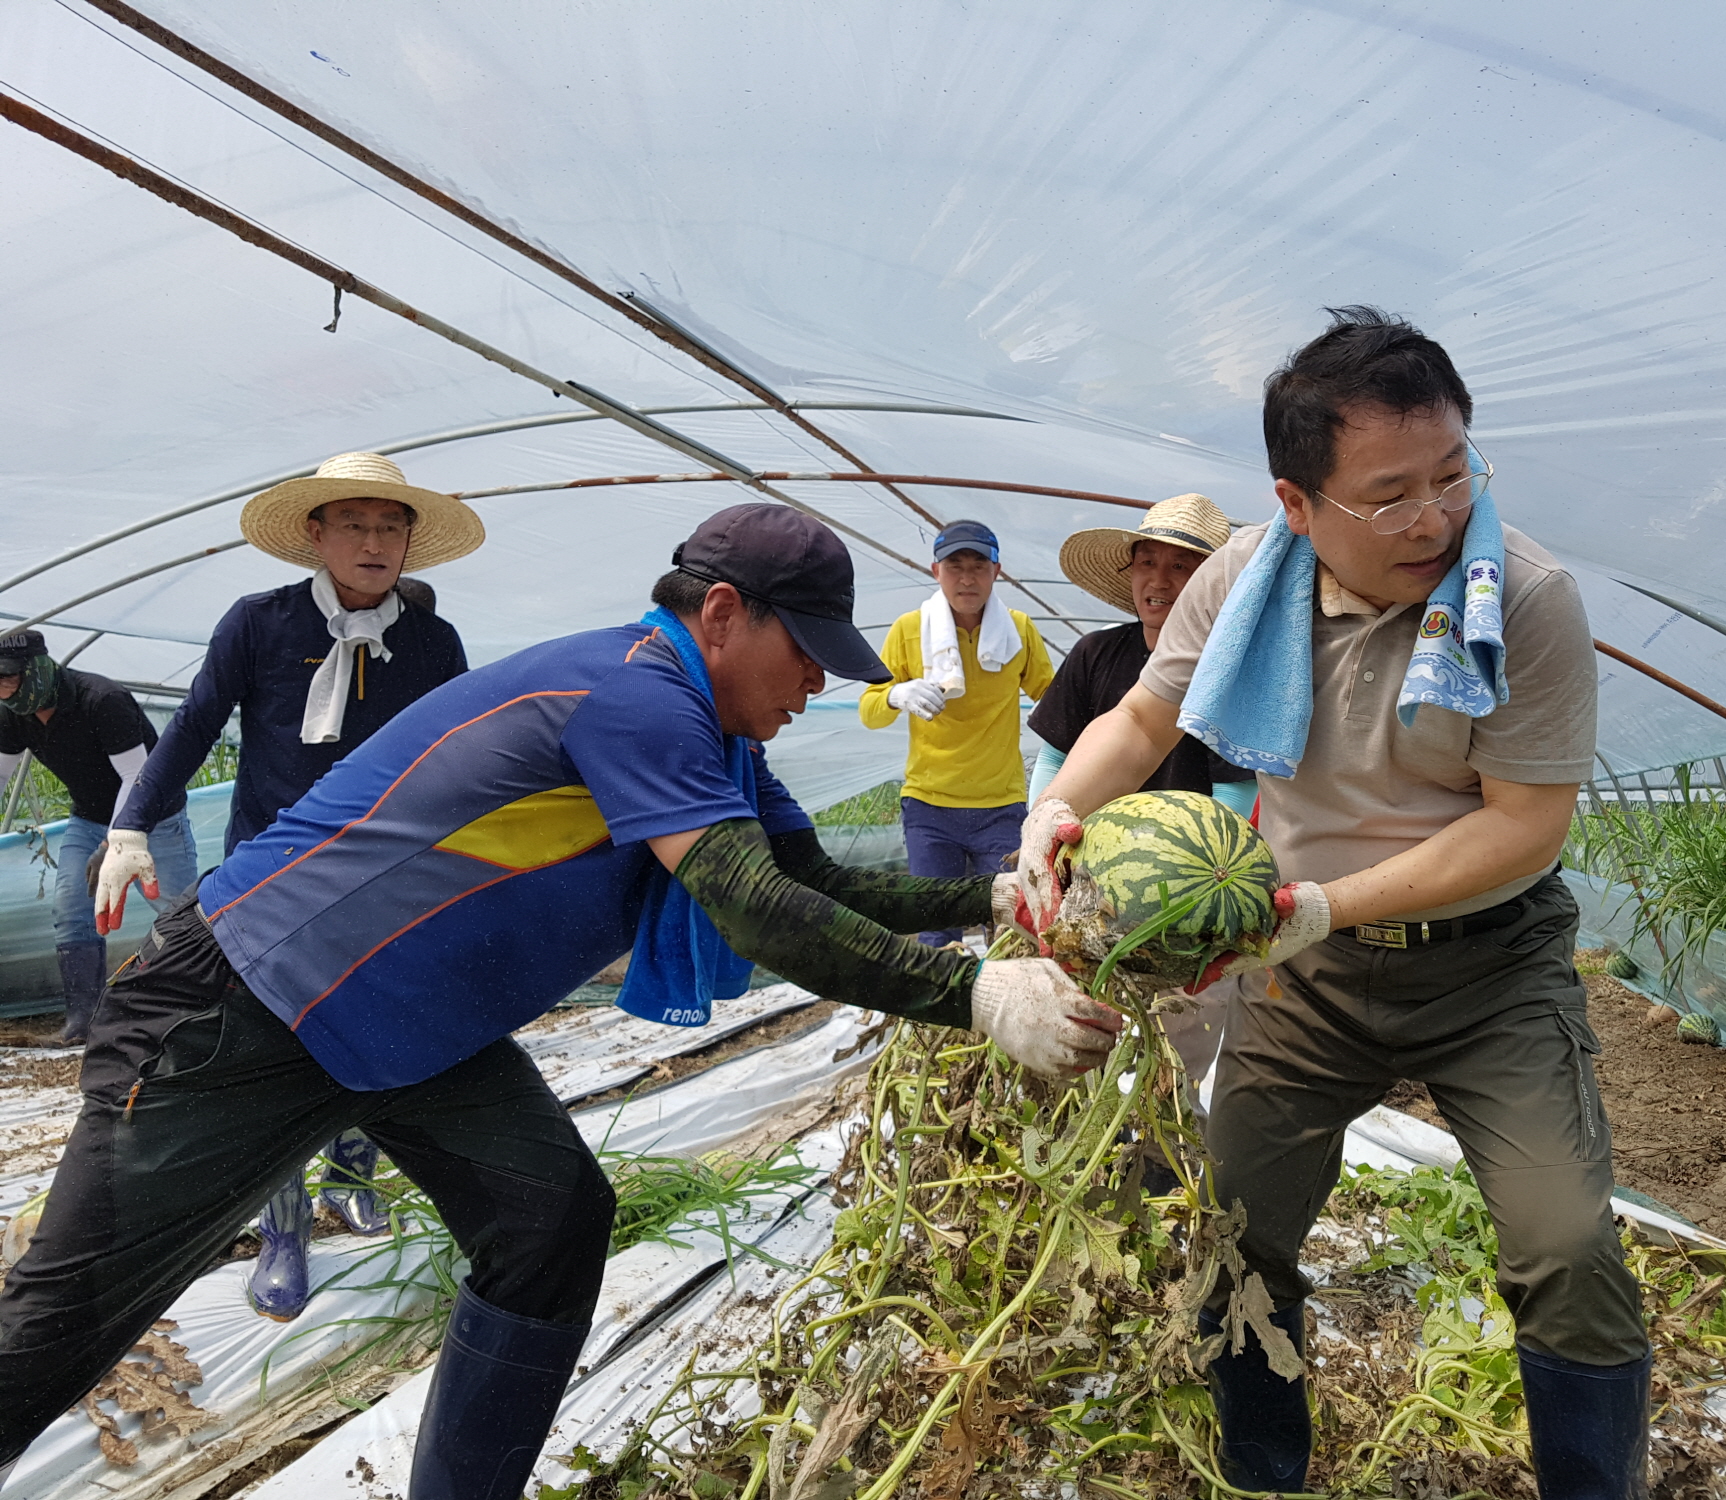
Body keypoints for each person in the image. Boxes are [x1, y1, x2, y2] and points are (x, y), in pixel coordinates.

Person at [0, 504, 1118, 1500]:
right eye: (807, 654)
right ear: (723, 614)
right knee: (60, 1329)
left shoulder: (713, 734)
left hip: (406, 1030)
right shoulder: (633, 694)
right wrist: (975, 997)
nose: (819, 685)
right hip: (243, 1007)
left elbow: (807, 880)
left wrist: (992, 898)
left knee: (548, 1224)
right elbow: (754, 910)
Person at [1018, 309, 1648, 1498]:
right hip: (1306, 977)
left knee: (1564, 1246)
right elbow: (1146, 718)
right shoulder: (1239, 586)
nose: (1432, 517)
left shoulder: (1519, 597)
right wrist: (1053, 810)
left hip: (1487, 967)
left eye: (1452, 475)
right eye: (1389, 493)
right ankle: (1264, 1471)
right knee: (1231, 1234)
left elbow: (1523, 823)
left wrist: (1319, 903)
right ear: (1296, 504)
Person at [100, 451, 478, 1323]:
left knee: (376, 1021)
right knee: (276, 1040)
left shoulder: (431, 642)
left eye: (392, 527)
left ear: (410, 542)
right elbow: (194, 726)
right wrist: (129, 826)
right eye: (356, 524)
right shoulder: (259, 624)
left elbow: (463, 753)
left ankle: (350, 1174)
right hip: (271, 865)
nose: (376, 542)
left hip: (387, 869)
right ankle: (280, 1227)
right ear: (317, 534)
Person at [1028, 493, 1256, 1103]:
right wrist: (1042, 835)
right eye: (1146, 562)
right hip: (1090, 886)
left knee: (1176, 1056)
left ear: (1210, 583)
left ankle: (1162, 1155)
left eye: (1180, 567)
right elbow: (1055, 757)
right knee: (1079, 1045)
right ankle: (1082, 1134)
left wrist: (1192, 891)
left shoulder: (1232, 673)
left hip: (1186, 901)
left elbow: (1233, 796)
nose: (1158, 581)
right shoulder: (1097, 654)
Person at [860, 519, 1054, 945]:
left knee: (1013, 926)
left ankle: (1011, 1008)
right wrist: (897, 694)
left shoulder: (1018, 631)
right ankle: (940, 1012)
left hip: (1000, 805)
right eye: (954, 566)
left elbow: (1054, 700)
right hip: (930, 807)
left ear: (997, 572)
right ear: (936, 572)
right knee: (935, 925)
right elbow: (870, 710)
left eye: (979, 566)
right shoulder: (909, 629)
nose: (967, 578)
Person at [0, 631, 199, 1043]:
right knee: (72, 907)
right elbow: (0, 774)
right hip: (88, 816)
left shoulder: (102, 700)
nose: (2, 689)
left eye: (8, 677)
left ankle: (198, 1011)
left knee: (179, 910)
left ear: (35, 670)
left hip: (153, 817)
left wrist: (115, 843)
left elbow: (137, 778)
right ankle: (83, 1023)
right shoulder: (12, 714)